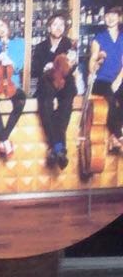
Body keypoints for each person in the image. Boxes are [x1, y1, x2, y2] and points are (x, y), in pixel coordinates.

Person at [34, 12, 86, 168]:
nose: (58, 27)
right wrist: (47, 66)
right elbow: (35, 69)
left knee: (66, 105)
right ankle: (59, 148)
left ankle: (54, 148)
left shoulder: (70, 45)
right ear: (49, 27)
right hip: (47, 82)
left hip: (65, 81)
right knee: (45, 105)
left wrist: (70, 63)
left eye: (61, 25)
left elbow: (73, 67)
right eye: (55, 24)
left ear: (65, 28)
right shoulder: (41, 47)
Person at [0, 16, 26, 159]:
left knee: (21, 100)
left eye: (1, 25)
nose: (0, 30)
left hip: (13, 82)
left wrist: (8, 60)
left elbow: (19, 65)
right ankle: (6, 142)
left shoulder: (19, 43)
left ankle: (3, 139)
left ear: (6, 24)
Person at [89, 4, 123, 154]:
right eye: (108, 15)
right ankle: (119, 136)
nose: (110, 18)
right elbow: (92, 62)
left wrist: (118, 80)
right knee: (110, 101)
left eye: (114, 15)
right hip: (101, 80)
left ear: (119, 17)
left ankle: (115, 137)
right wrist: (96, 61)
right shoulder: (99, 38)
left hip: (118, 79)